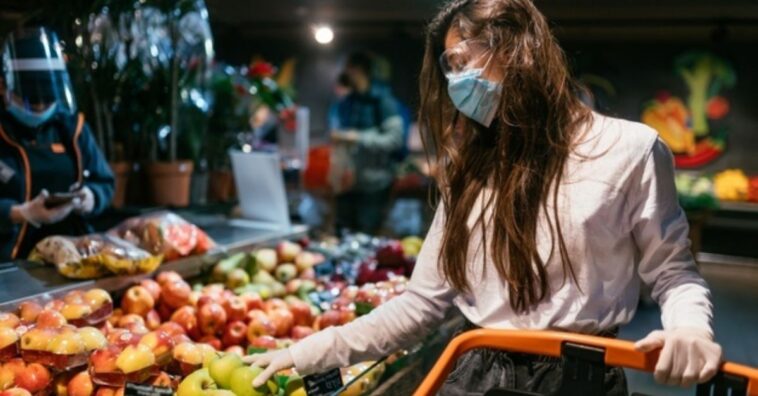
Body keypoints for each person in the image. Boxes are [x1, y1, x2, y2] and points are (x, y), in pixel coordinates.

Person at [245, 1, 721, 394]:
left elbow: (674, 274)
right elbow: (419, 307)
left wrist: (690, 329)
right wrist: (301, 354)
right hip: (476, 375)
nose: (455, 83)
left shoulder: (630, 151)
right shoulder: (471, 167)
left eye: (460, 62)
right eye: (447, 68)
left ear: (515, 49)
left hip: (581, 378)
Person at [0, 27, 114, 261]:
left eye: (48, 99)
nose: (41, 107)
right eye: (31, 101)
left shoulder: (72, 127)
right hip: (10, 260)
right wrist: (19, 213)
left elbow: (105, 182)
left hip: (74, 253)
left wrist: (91, 197)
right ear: (3, 88)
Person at [330, 52, 404, 234]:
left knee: (367, 239)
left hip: (374, 186)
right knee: (342, 237)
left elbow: (395, 140)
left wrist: (357, 137)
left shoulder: (384, 102)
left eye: (348, 69)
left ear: (358, 70)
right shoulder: (346, 103)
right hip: (346, 185)